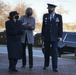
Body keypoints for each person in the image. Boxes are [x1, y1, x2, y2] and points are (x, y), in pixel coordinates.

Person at [41, 4, 63, 72]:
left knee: (54, 52)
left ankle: (55, 67)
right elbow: (43, 26)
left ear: (53, 9)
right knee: (46, 51)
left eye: (50, 8)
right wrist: (42, 35)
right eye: (48, 8)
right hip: (47, 36)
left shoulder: (59, 16)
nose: (49, 9)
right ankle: (46, 65)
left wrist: (60, 36)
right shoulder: (45, 16)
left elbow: (60, 27)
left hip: (55, 37)